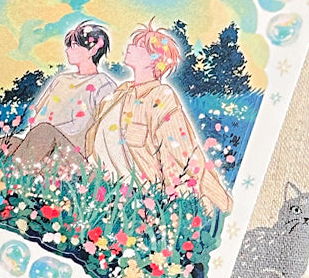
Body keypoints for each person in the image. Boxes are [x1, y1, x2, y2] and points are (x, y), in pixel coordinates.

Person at [84, 22, 233, 213]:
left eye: (139, 46)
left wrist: (180, 201)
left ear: (155, 60)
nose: (130, 47)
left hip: (134, 194)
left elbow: (181, 155)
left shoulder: (161, 96)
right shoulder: (120, 93)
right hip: (95, 180)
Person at [0, 21, 115, 171]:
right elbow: (39, 117)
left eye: (74, 46)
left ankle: (10, 177)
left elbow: (106, 132)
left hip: (73, 157)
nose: (68, 50)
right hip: (44, 145)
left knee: (45, 132)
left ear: (93, 50)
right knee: (7, 143)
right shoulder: (61, 80)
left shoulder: (103, 85)